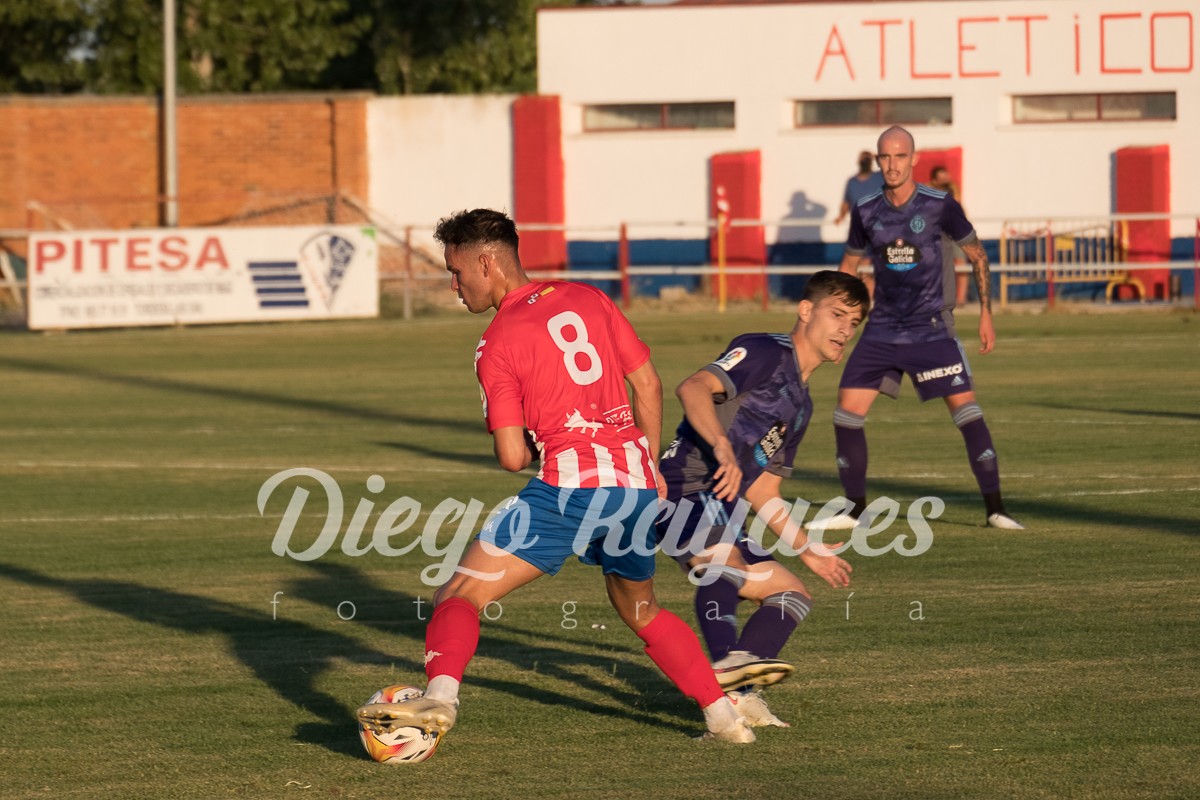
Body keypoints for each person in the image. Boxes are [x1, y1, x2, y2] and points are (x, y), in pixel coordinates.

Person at [356, 208, 757, 745]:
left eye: (456, 272)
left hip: (569, 489)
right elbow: (650, 385)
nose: (454, 285)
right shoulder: (589, 298)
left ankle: (441, 700)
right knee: (640, 608)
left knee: (459, 593)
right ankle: (725, 720)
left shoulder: (495, 342)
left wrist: (514, 428)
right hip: (634, 488)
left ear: (486, 262)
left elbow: (512, 458)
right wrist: (648, 463)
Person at [655, 270, 868, 727]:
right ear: (806, 311)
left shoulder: (803, 405)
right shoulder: (766, 351)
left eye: (854, 322)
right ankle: (726, 680)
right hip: (682, 484)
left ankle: (742, 691)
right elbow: (692, 387)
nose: (845, 330)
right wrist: (720, 445)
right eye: (837, 315)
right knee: (725, 563)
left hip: (725, 505)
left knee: (791, 594)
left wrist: (808, 548)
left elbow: (764, 489)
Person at [824, 126, 1023, 531]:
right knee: (846, 415)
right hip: (880, 331)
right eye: (885, 157)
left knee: (967, 413)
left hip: (931, 330)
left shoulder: (940, 205)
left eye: (900, 156)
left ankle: (996, 509)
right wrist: (840, 325)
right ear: (877, 160)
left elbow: (977, 255)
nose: (892, 165)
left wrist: (986, 312)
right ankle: (855, 510)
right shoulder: (865, 210)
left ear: (914, 160)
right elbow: (849, 268)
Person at [929, 166, 970, 306]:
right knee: (938, 267)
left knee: (961, 264)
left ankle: (961, 300)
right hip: (938, 233)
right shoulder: (929, 192)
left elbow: (960, 209)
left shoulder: (953, 190)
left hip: (956, 232)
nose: (945, 180)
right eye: (941, 178)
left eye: (946, 177)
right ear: (935, 180)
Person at [833, 150, 885, 225]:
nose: (864, 161)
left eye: (867, 159)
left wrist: (877, 157)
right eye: (862, 159)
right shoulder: (852, 182)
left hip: (878, 226)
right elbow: (846, 203)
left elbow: (888, 167)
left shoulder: (879, 177)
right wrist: (841, 217)